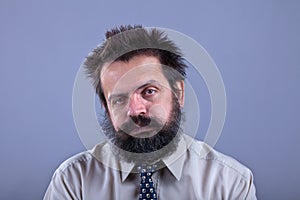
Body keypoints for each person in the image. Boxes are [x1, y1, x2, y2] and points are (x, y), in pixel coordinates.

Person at [44, 25, 257, 199]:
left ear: (179, 93)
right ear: (106, 109)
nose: (136, 111)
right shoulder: (73, 182)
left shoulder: (231, 183)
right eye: (119, 99)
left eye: (149, 91)